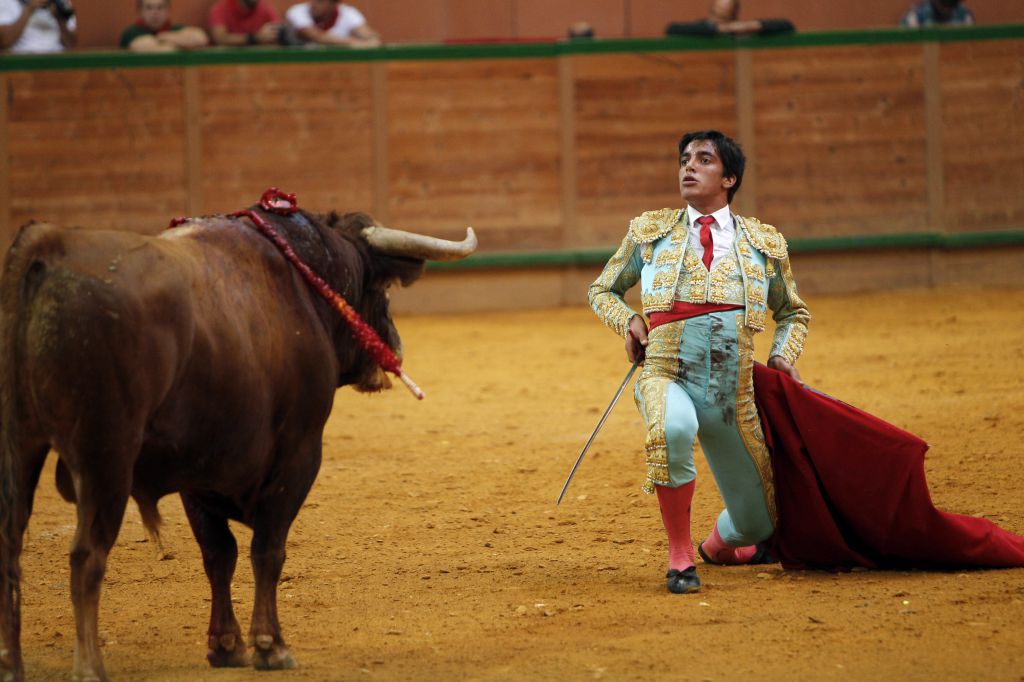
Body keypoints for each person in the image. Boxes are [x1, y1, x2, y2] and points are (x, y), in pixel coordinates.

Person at [588, 130, 810, 594]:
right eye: (685, 159)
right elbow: (602, 289)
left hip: (733, 392)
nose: (689, 166)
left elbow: (793, 312)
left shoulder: (764, 243)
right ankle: (680, 557)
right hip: (666, 371)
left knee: (759, 522)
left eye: (704, 160)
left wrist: (781, 354)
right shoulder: (650, 232)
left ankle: (718, 546)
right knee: (671, 430)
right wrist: (628, 320)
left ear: (729, 177)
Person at [666, 0, 794, 37]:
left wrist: (751, 26)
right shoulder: (702, 27)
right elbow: (672, 29)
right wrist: (718, 29)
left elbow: (787, 25)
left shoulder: (739, 28)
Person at [120, 0, 207, 52]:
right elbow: (147, 48)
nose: (155, 12)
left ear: (168, 10)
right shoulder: (131, 32)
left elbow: (200, 38)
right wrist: (181, 44)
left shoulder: (175, 28)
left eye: (160, 7)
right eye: (149, 8)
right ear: (140, 11)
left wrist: (162, 37)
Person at [284, 0, 379, 47]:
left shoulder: (349, 13)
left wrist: (370, 40)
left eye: (320, 1)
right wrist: (351, 42)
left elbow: (371, 37)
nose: (313, 4)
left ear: (333, 4)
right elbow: (315, 36)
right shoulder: (297, 11)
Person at [0, 0, 76, 53]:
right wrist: (29, 9)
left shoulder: (60, 2)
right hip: (22, 63)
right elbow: (5, 41)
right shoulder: (7, 2)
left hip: (56, 62)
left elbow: (70, 44)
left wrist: (59, 18)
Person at [208, 0, 283, 46]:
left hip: (258, 61)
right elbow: (220, 39)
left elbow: (280, 31)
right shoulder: (221, 8)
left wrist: (272, 35)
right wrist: (255, 38)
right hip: (229, 61)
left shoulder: (265, 7)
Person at [900, 0, 974, 27]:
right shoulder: (918, 13)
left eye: (953, 3)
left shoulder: (963, 13)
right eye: (943, 4)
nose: (947, 9)